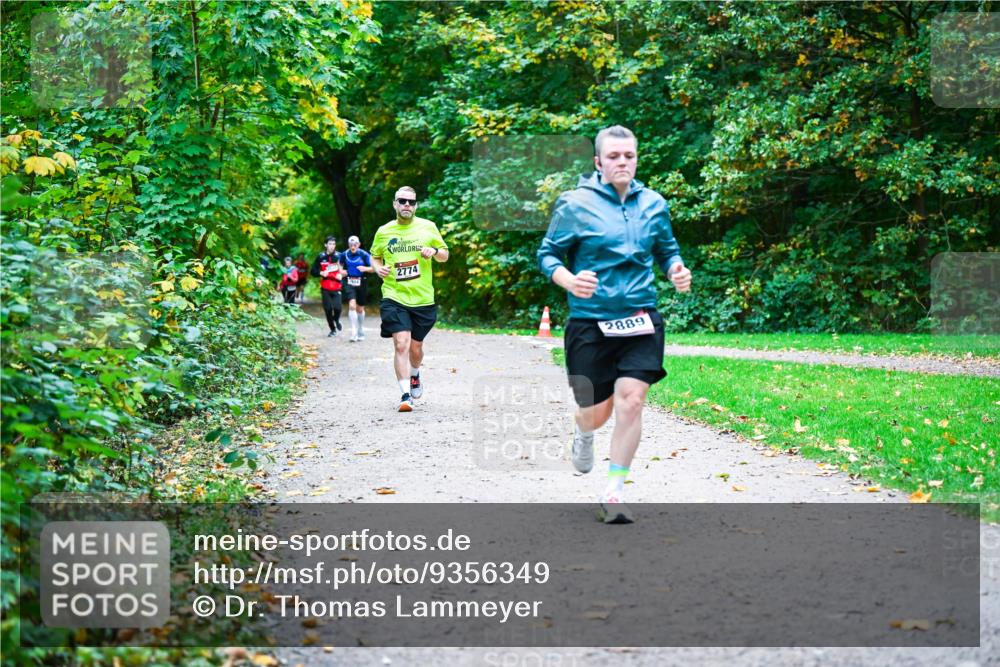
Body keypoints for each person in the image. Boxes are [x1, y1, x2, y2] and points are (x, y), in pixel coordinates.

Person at [537, 125, 693, 524]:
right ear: (598, 162)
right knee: (596, 412)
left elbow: (667, 249)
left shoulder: (654, 203)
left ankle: (614, 491)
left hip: (641, 317)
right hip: (590, 323)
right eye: (613, 156)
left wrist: (676, 268)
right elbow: (548, 255)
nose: (622, 162)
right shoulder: (574, 204)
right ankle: (582, 429)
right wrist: (569, 280)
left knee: (632, 400)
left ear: (636, 158)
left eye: (629, 156)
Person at [371, 187, 449, 412]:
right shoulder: (384, 231)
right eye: (402, 201)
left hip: (423, 298)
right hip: (394, 296)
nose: (407, 205)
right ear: (394, 204)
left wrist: (433, 252)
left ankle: (415, 374)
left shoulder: (428, 227)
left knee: (416, 348)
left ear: (416, 206)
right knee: (401, 343)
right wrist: (378, 269)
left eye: (411, 202)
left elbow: (445, 254)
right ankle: (405, 395)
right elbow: (375, 256)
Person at [311, 236, 346, 337]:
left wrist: (342, 274)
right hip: (325, 287)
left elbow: (347, 269)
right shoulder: (320, 257)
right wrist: (321, 273)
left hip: (337, 286)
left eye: (333, 244)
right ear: (325, 245)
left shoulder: (340, 256)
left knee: (338, 308)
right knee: (328, 309)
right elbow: (313, 271)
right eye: (330, 244)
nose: (332, 246)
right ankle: (332, 329)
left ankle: (336, 320)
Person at [341, 235, 374, 342]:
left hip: (361, 282)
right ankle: (354, 331)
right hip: (349, 282)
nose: (353, 246)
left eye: (355, 244)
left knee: (360, 308)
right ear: (348, 245)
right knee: (352, 305)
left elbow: (373, 268)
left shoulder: (364, 254)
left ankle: (360, 328)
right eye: (351, 244)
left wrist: (365, 268)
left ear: (358, 244)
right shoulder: (345, 254)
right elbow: (338, 265)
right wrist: (341, 271)